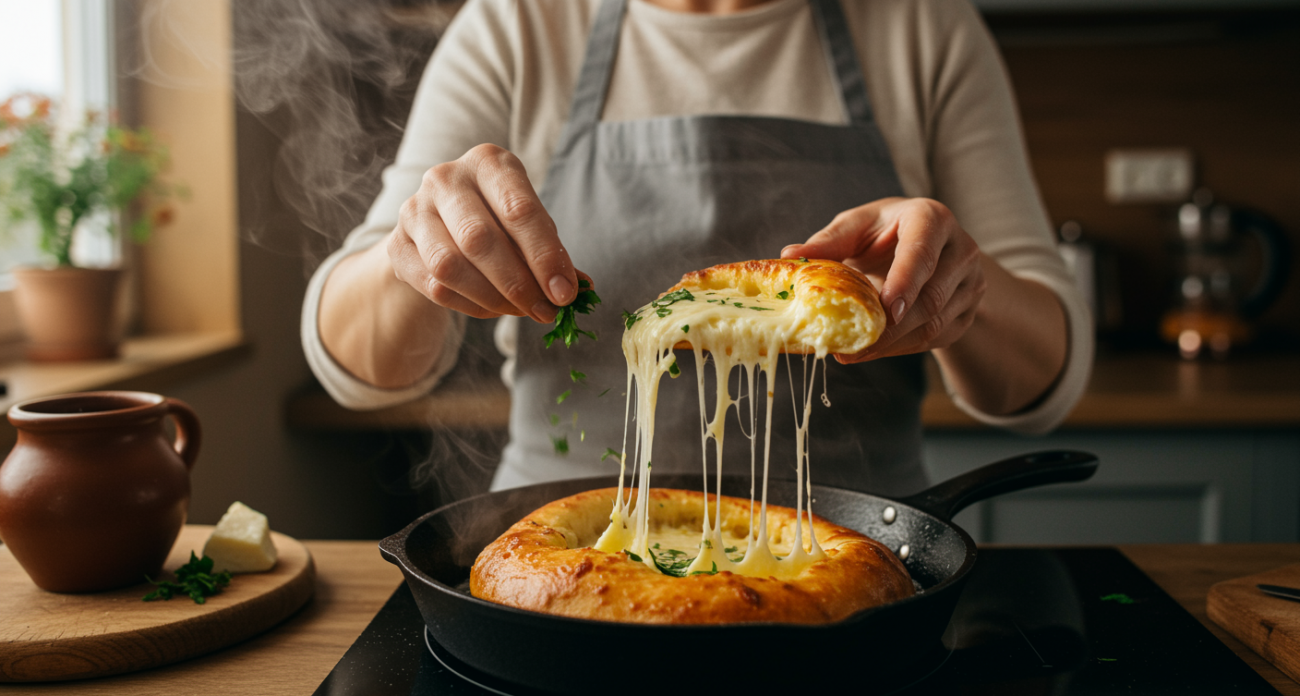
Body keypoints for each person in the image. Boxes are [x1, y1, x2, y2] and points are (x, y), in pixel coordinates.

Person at [302, 0, 1092, 495]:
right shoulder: (517, 24)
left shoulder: (922, 24)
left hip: (856, 545)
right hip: (565, 543)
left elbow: (1044, 385)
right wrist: (414, 255)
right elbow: (358, 368)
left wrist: (960, 291)